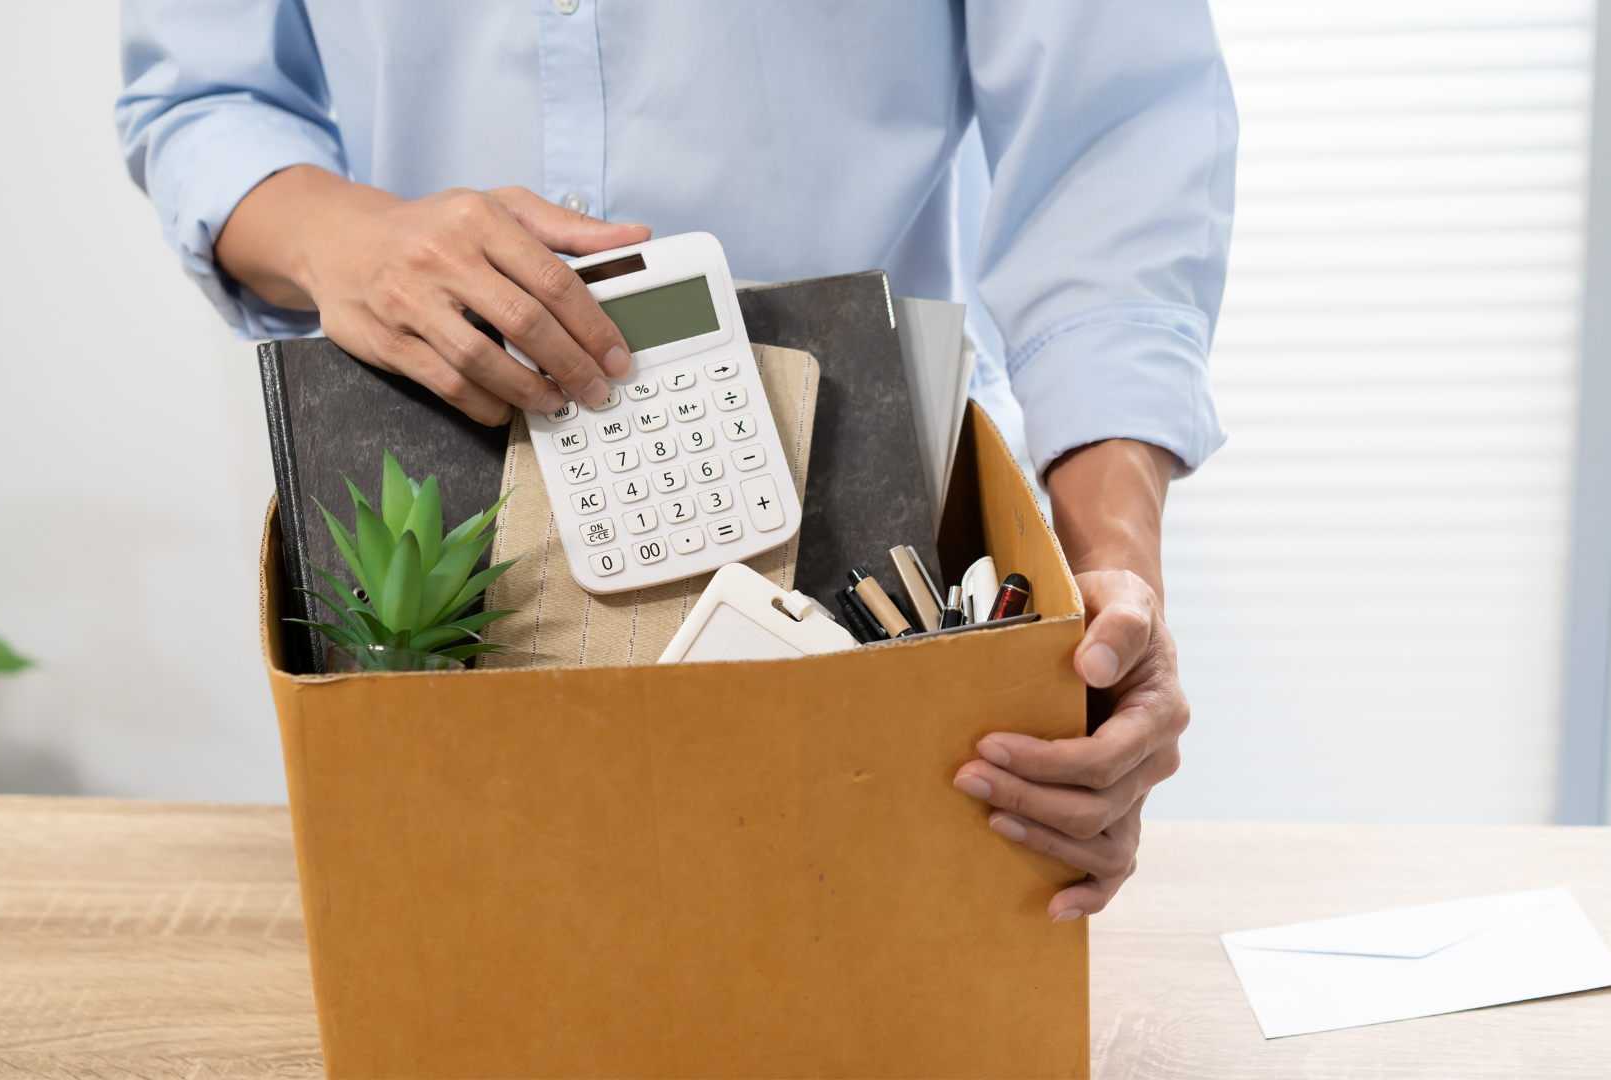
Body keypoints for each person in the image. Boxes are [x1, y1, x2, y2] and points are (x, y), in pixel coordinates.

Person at [118, 1, 1234, 923]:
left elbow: (1115, 146)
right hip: (440, 510)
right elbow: (200, 94)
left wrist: (1110, 566)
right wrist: (337, 234)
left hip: (877, 520)